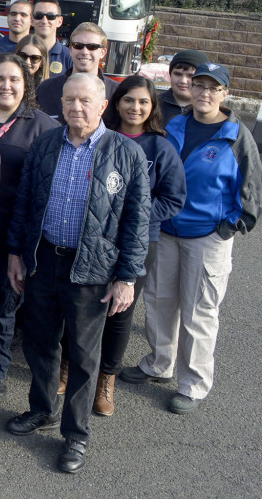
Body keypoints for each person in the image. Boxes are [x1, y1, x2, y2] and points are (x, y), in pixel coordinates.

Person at [5, 73, 150, 474]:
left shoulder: (125, 154)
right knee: (40, 341)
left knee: (84, 356)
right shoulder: (46, 144)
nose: (76, 108)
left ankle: (76, 434)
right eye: (70, 100)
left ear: (103, 105)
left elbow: (137, 221)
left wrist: (127, 277)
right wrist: (16, 253)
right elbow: (25, 204)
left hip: (94, 267)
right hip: (44, 259)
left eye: (85, 101)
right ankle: (43, 409)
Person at [121, 63, 261, 414]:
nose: (204, 93)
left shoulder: (235, 134)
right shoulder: (175, 124)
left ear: (225, 94)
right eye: (199, 85)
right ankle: (158, 363)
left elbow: (251, 188)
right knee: (160, 300)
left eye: (214, 88)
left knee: (199, 310)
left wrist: (229, 225)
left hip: (208, 235)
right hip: (167, 230)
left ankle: (193, 383)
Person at [94, 76, 185, 415]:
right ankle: (68, 367)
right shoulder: (99, 138)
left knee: (120, 311)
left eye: (143, 102)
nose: (135, 107)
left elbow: (173, 198)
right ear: (116, 103)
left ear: (152, 107)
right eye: (129, 100)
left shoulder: (160, 147)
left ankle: (107, 379)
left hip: (138, 242)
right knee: (80, 304)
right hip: (92, 237)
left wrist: (134, 215)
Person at [0, 55, 57, 402]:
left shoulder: (42, 127)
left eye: (14, 80)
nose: (6, 86)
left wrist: (22, 247)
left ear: (27, 85)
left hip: (8, 235)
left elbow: (44, 191)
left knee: (0, 309)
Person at [35, 22, 118, 122]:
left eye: (92, 47)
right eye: (78, 45)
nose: (84, 52)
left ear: (103, 52)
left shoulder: (116, 93)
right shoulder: (46, 89)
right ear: (70, 49)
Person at [159, 49, 209, 124]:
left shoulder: (211, 112)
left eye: (190, 76)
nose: (183, 81)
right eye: (178, 74)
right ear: (170, 75)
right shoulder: (154, 105)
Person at [31, 0, 72, 77]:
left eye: (51, 16)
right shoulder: (21, 52)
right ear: (32, 20)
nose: (44, 21)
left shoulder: (69, 57)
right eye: (39, 15)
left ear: (59, 21)